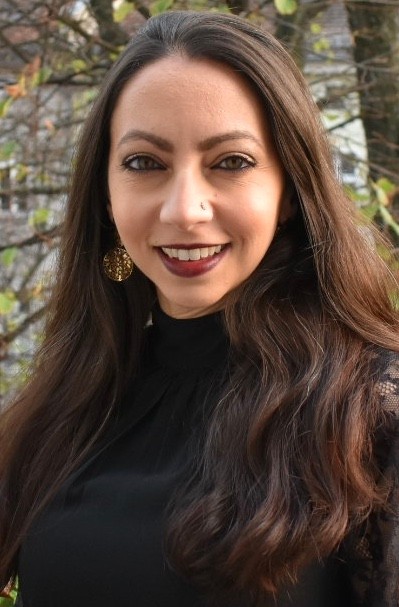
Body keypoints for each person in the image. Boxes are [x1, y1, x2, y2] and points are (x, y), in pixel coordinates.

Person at [1, 10, 398, 607]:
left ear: (289, 191)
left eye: (231, 163)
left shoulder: (370, 413)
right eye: (144, 163)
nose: (185, 210)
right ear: (106, 193)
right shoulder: (64, 407)